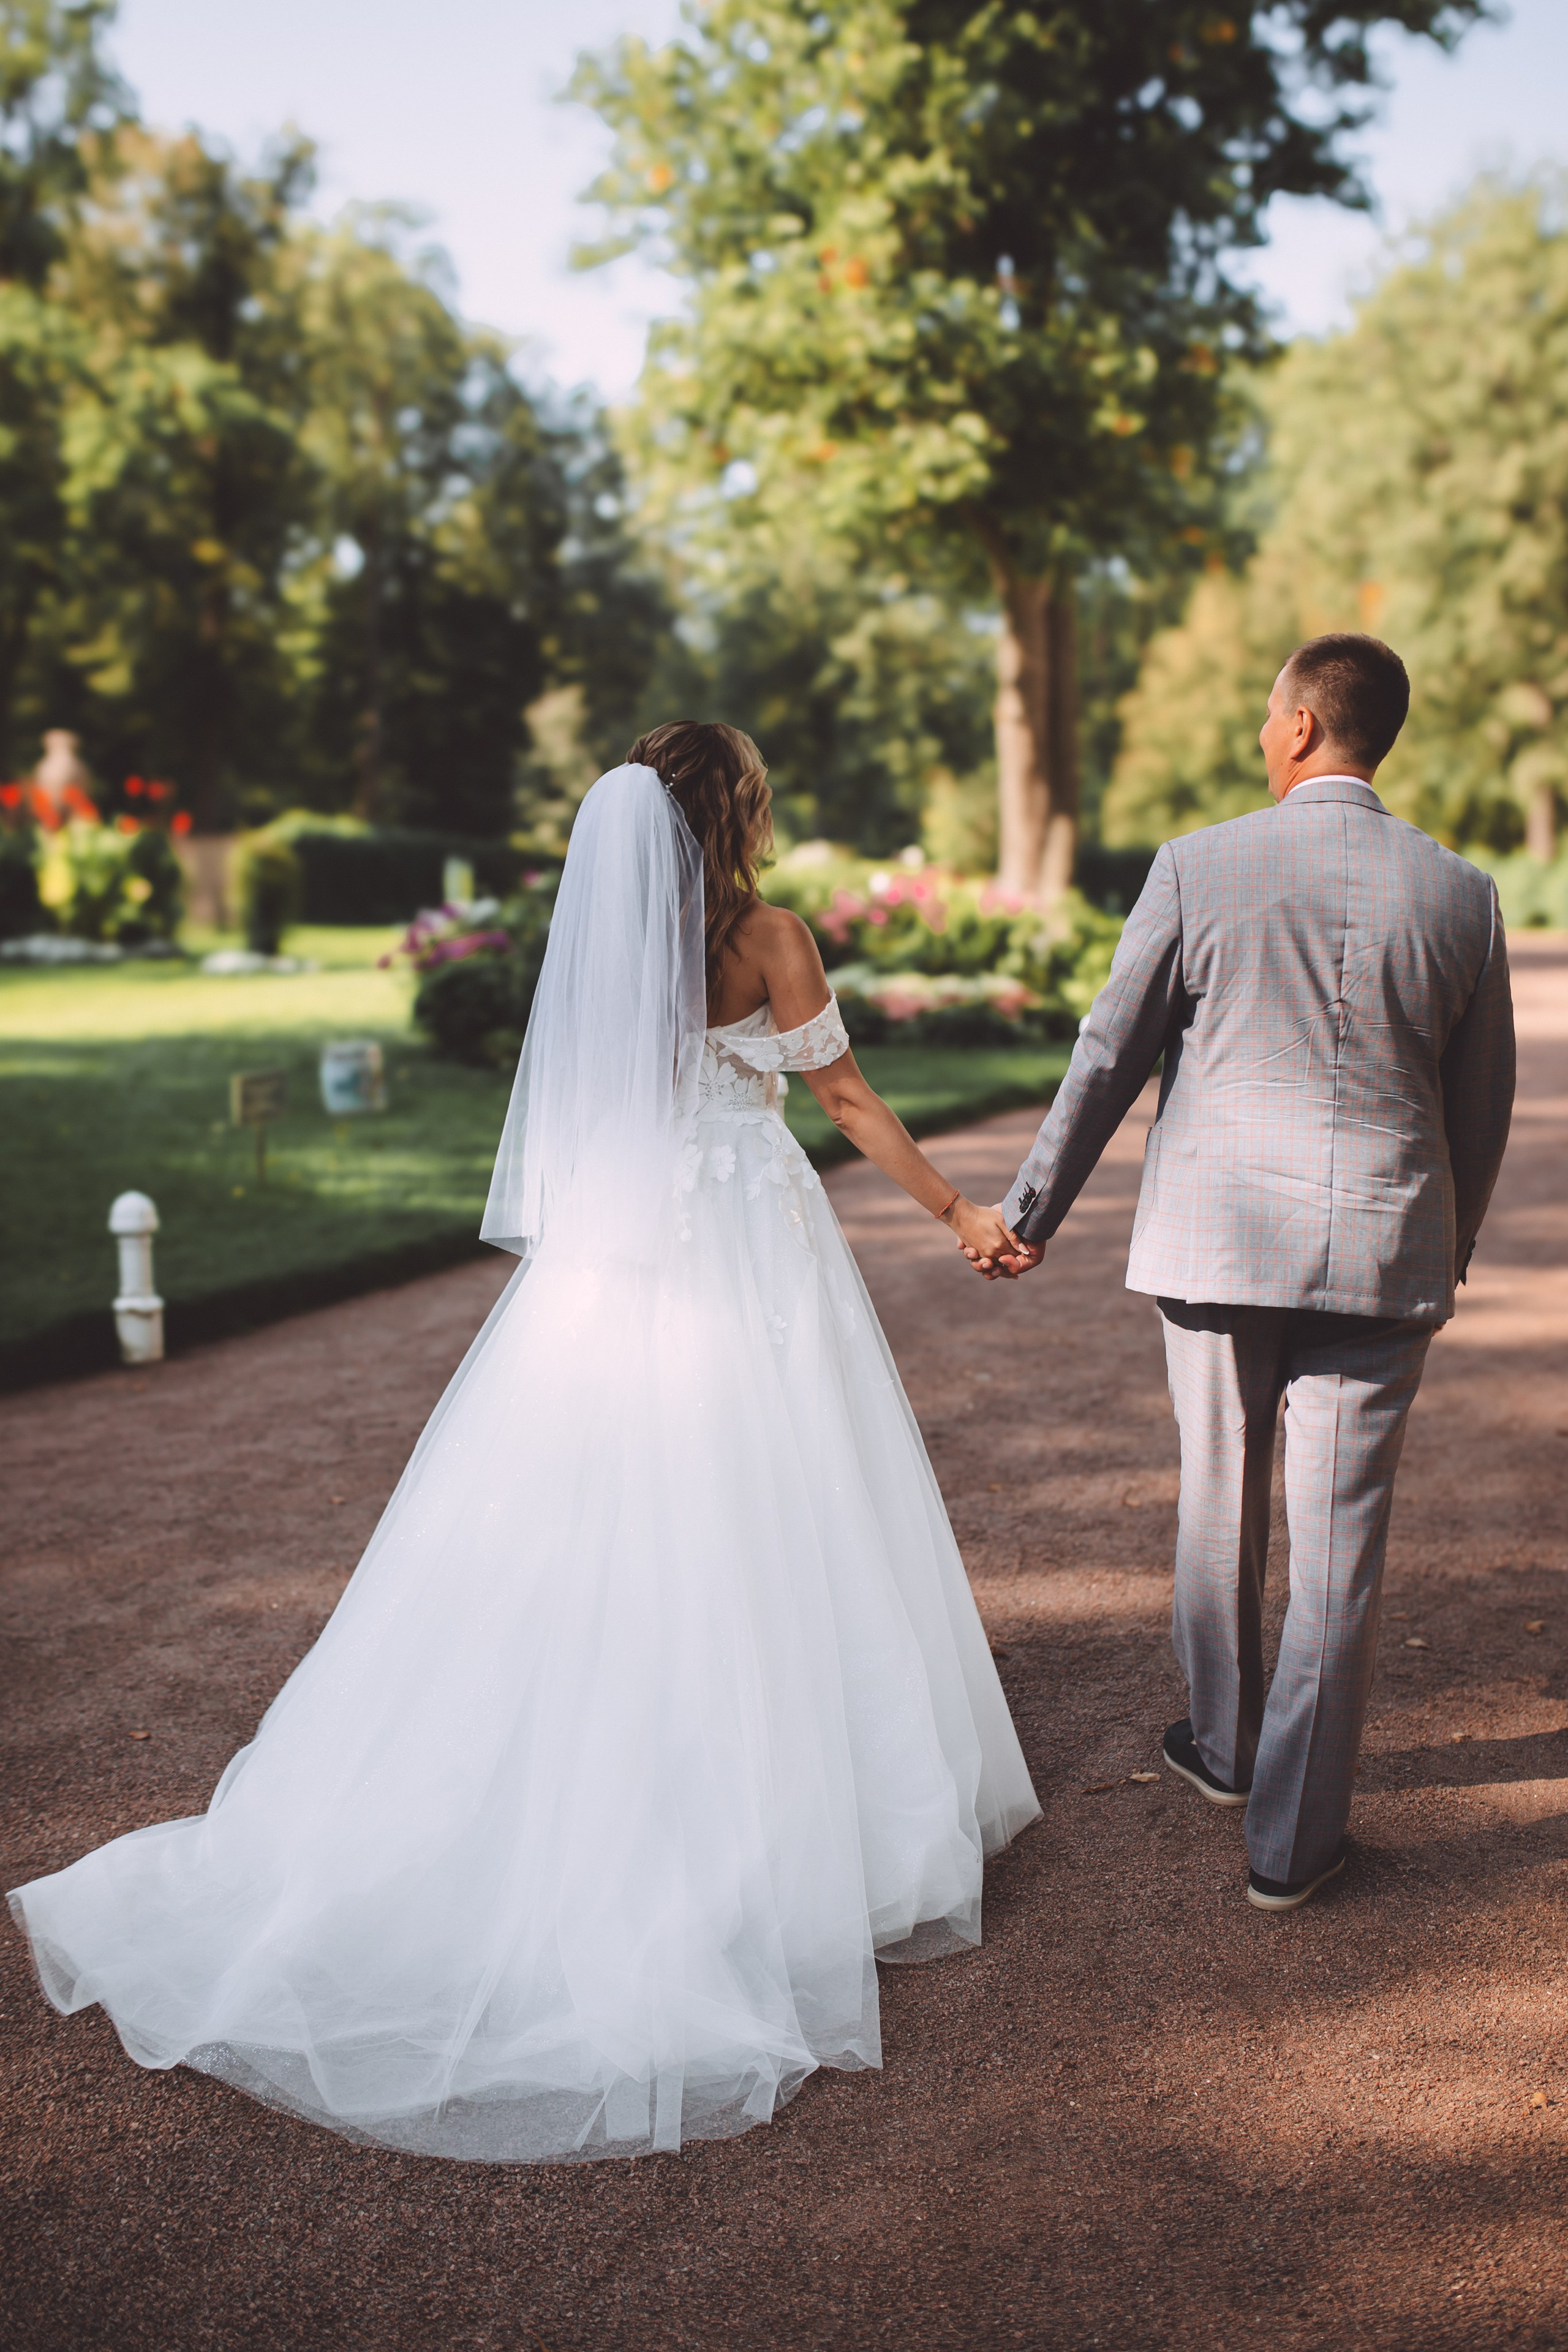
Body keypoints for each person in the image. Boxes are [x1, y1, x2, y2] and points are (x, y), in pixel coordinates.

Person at [10, 722, 1039, 2164]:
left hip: (611, 1268)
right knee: (778, 1499)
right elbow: (846, 1098)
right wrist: (958, 1215)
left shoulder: (608, 946)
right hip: (745, 1238)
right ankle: (794, 1803)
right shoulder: (769, 937)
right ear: (729, 812)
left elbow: (585, 1112)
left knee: (593, 1507)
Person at [969, 635, 1514, 1912]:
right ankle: (1291, 1849)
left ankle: (1220, 1750)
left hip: (1217, 1249)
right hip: (1382, 1255)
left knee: (1218, 1498)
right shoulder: (1460, 893)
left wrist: (1031, 1206)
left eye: (1268, 713)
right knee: (1340, 1552)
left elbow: (1108, 1051)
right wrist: (1449, 1244)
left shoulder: (1196, 865)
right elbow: (1478, 1107)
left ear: (1298, 728)